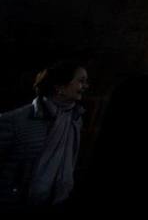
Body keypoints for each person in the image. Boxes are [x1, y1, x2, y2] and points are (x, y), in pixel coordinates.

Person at [0, 61, 89, 216]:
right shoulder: (15, 120)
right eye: (81, 81)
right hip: (15, 206)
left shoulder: (75, 119)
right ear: (59, 87)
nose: (86, 86)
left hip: (57, 203)